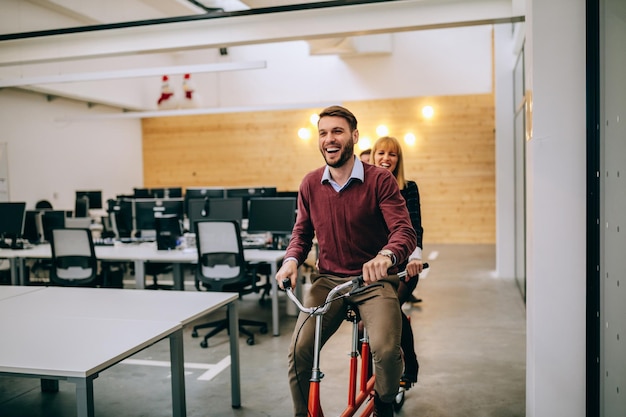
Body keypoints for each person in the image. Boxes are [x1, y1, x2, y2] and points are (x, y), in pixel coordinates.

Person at [276, 105, 417, 417]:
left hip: (373, 282)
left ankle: (383, 405)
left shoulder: (380, 180)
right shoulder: (310, 184)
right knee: (299, 350)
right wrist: (291, 260)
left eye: (337, 131)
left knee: (385, 350)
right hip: (328, 282)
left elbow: (404, 231)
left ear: (354, 136)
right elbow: (301, 232)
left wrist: (386, 255)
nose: (330, 138)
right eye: (323, 133)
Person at [370, 135, 425, 386]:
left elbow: (414, 225)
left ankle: (410, 363)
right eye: (381, 153)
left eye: (392, 154)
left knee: (392, 307)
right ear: (373, 157)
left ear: (398, 160)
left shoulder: (408, 187)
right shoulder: (366, 187)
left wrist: (415, 257)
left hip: (403, 265)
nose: (386, 158)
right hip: (376, 264)